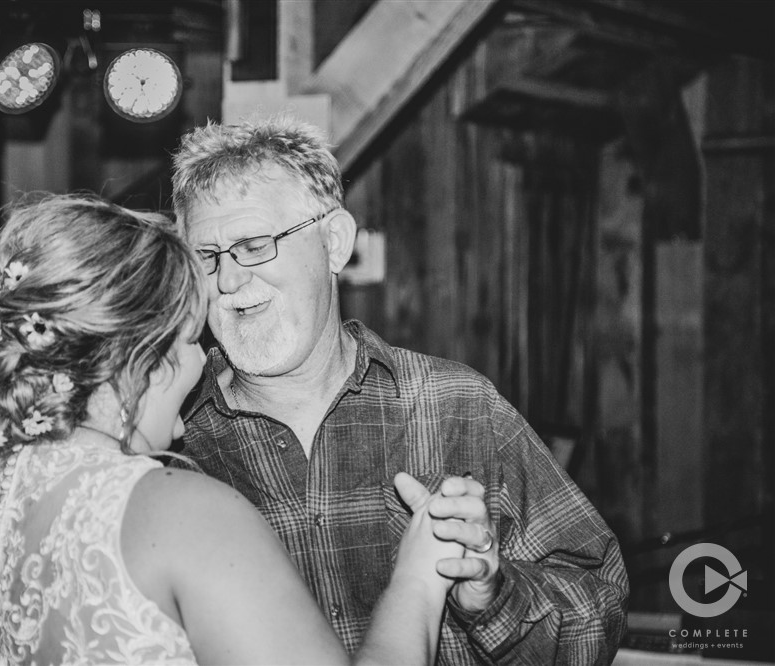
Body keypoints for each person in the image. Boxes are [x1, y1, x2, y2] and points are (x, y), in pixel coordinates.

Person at [0, 193, 464, 666]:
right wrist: (419, 577)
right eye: (191, 338)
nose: (201, 363)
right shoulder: (180, 513)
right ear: (138, 353)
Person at [171, 115, 630, 665]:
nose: (228, 280)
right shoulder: (174, 443)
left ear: (334, 243)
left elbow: (601, 614)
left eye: (252, 245)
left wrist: (493, 595)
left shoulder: (457, 406)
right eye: (206, 256)